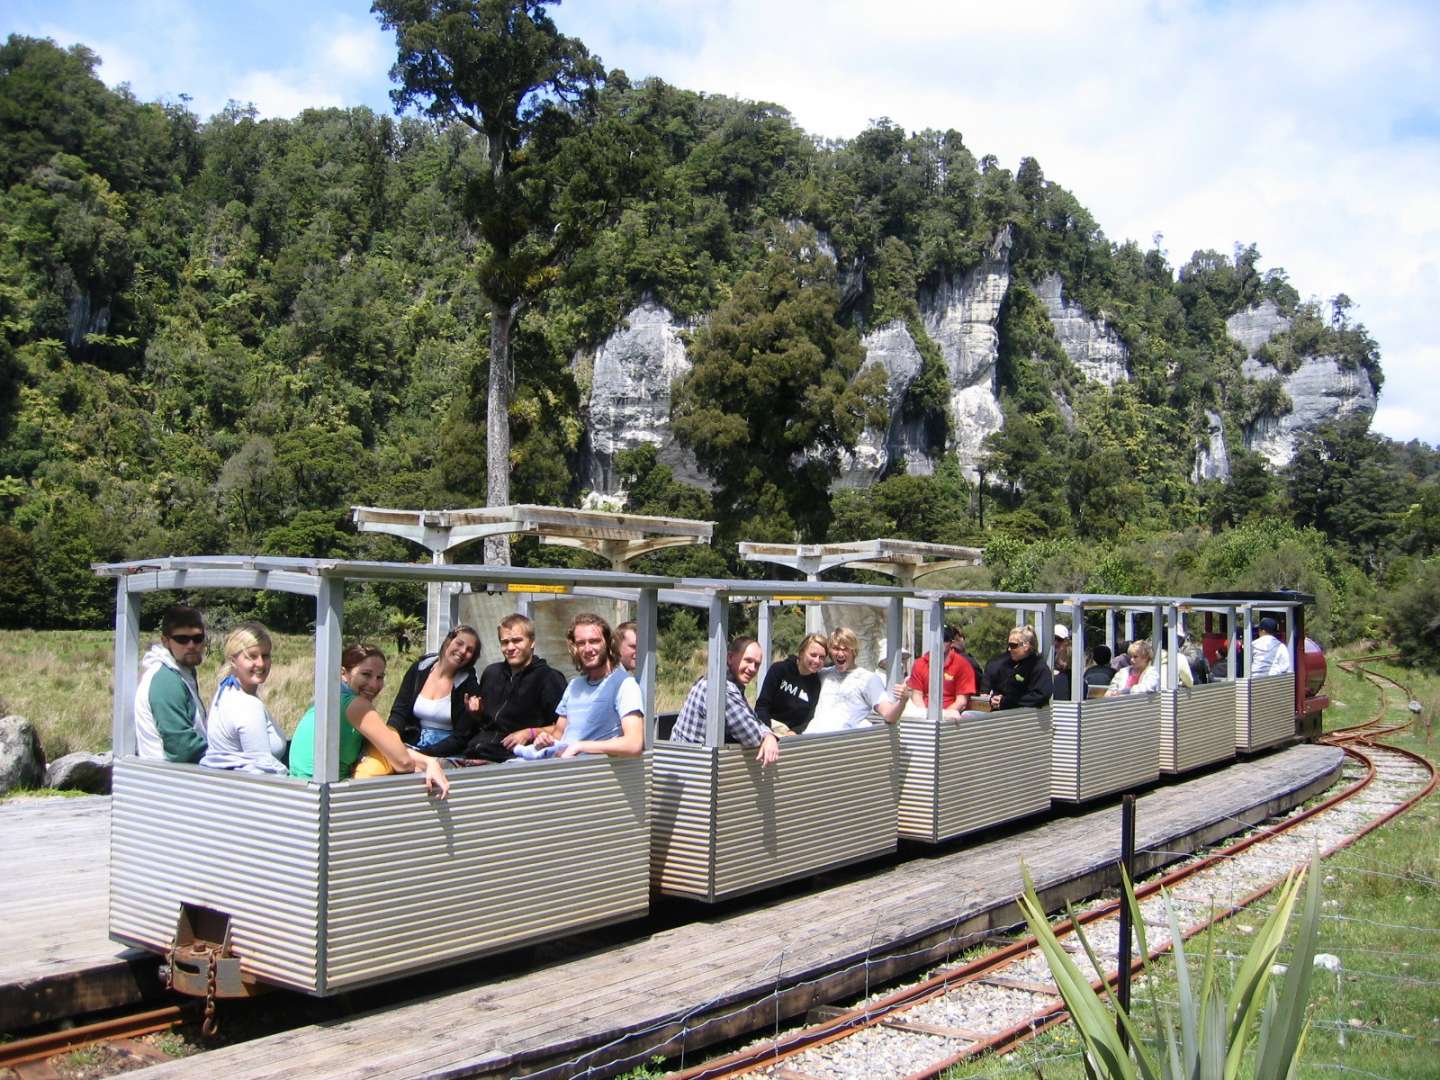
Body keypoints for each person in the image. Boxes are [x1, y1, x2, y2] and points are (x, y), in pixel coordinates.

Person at [289, 644, 449, 797]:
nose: (374, 684)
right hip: (327, 797)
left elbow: (388, 748)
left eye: (380, 677)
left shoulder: (329, 702)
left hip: (301, 793)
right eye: (366, 674)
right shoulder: (357, 705)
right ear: (343, 673)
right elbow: (403, 762)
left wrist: (429, 762)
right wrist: (428, 764)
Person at [509, 613, 645, 758]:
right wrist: (545, 740)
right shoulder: (574, 685)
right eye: (581, 643)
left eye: (594, 641)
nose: (587, 649)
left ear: (608, 643)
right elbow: (559, 734)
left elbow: (634, 744)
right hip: (560, 763)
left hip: (587, 771)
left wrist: (581, 745)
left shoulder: (624, 685)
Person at [462, 614, 567, 762]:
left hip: (514, 758)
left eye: (517, 640)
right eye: (505, 642)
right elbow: (486, 723)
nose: (510, 647)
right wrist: (476, 713)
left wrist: (529, 733)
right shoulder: (492, 673)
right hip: (477, 751)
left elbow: (562, 728)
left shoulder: (548, 678)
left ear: (532, 642)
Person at [671, 635, 780, 764]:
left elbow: (753, 719)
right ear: (730, 658)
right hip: (691, 768)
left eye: (757, 664)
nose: (752, 668)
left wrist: (768, 734)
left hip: (682, 762)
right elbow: (752, 737)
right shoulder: (723, 689)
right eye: (748, 660)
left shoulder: (718, 680)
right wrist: (769, 736)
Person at [201, 622, 288, 774]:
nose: (261, 663)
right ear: (233, 660)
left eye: (265, 655)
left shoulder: (224, 691)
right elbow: (263, 768)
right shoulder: (248, 705)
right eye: (252, 657)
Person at [387, 624, 483, 758]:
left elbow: (462, 737)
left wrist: (424, 755)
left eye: (469, 650)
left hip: (447, 752)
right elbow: (399, 712)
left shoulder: (468, 686)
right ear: (448, 641)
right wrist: (391, 738)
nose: (462, 651)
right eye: (459, 643)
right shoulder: (418, 669)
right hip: (412, 742)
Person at [134, 604, 208, 762]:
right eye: (182, 639)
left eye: (197, 638)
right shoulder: (165, 680)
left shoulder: (181, 670)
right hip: (167, 780)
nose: (191, 645)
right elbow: (183, 747)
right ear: (165, 641)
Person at [807, 627, 906, 733]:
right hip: (812, 740)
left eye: (845, 649)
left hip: (843, 744)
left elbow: (889, 715)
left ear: (854, 651)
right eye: (836, 648)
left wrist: (903, 701)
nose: (840, 654)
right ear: (830, 651)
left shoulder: (869, 679)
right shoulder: (823, 674)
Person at [755, 632, 828, 735]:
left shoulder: (816, 683)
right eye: (813, 655)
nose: (817, 660)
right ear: (801, 653)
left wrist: (794, 732)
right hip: (769, 728)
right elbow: (762, 706)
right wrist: (767, 733)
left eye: (822, 657)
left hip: (793, 737)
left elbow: (810, 718)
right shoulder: (779, 670)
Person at [906, 624, 977, 715]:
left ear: (951, 642)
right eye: (936, 638)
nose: (940, 641)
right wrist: (924, 716)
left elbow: (961, 701)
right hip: (924, 714)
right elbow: (917, 696)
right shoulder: (919, 664)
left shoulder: (963, 665)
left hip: (953, 716)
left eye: (945, 638)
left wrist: (943, 716)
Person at [986, 625, 1054, 710]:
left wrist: (1007, 702)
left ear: (1026, 646)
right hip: (1001, 716)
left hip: (1025, 719)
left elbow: (1041, 696)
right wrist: (994, 698)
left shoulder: (1039, 668)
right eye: (1008, 645)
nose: (1009, 649)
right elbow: (998, 688)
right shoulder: (1006, 664)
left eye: (1013, 645)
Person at [1051, 624, 1073, 701]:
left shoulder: (1072, 655)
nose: (1056, 642)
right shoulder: (1046, 656)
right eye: (1053, 638)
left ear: (1066, 641)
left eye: (1059, 639)